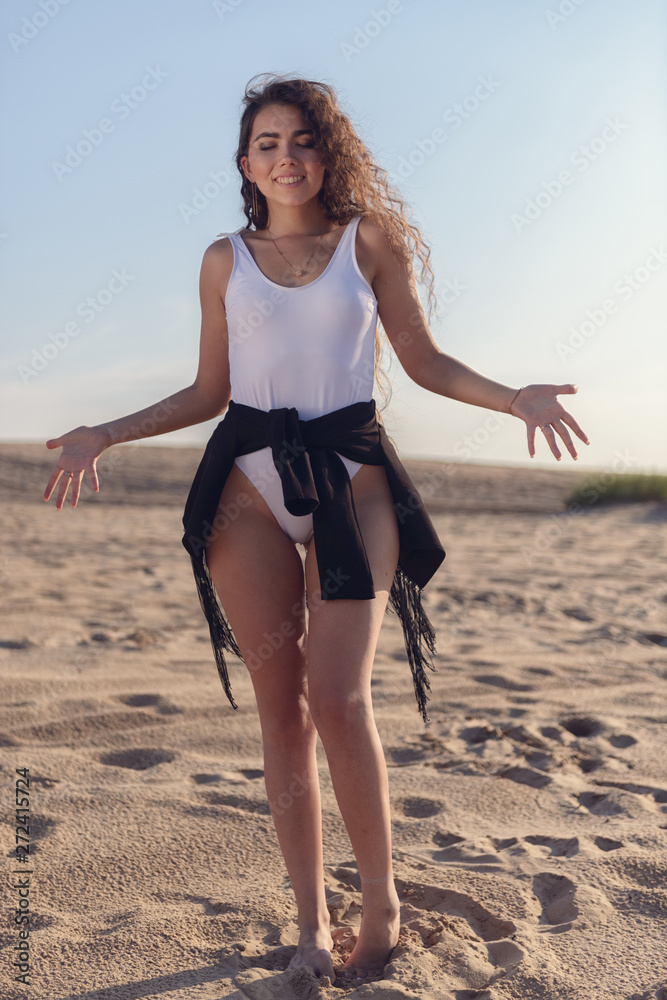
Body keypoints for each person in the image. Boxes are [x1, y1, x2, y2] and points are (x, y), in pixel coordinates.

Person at [43, 73, 589, 986]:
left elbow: (420, 360)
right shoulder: (223, 257)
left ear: (325, 152)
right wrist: (106, 430)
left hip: (352, 482)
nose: (285, 156)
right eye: (266, 143)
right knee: (280, 714)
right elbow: (208, 392)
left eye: (301, 140)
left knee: (338, 699)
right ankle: (308, 918)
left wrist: (512, 398)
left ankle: (380, 899)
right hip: (247, 485)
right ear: (245, 163)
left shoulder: (364, 243)